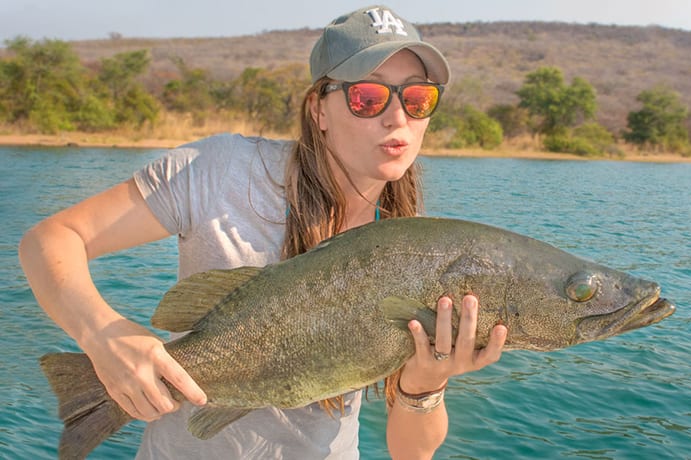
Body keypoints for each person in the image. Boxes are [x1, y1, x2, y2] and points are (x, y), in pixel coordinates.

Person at [19, 5, 507, 459]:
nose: (396, 116)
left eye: (418, 98)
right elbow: (51, 240)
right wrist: (104, 334)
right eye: (368, 96)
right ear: (319, 109)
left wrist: (424, 385)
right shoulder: (223, 171)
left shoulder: (419, 250)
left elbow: (411, 452)